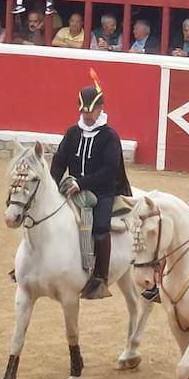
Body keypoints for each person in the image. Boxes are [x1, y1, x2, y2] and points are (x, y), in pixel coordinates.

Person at [53, 81, 133, 300]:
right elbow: (59, 161)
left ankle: (100, 279)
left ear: (100, 109)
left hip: (103, 191)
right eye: (84, 111)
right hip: (73, 188)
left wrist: (82, 183)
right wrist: (54, 183)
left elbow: (110, 170)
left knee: (100, 228)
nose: (87, 116)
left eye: (91, 111)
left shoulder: (110, 137)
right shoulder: (72, 133)